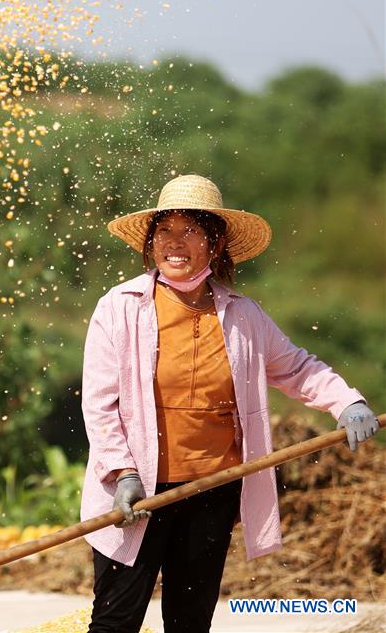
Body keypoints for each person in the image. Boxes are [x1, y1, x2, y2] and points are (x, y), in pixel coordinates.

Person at [79, 174, 379, 633]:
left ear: (215, 244)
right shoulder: (120, 308)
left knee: (191, 621)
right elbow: (100, 405)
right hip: (136, 492)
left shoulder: (244, 317)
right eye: (164, 232)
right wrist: (123, 472)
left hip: (212, 488)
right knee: (114, 621)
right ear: (150, 243)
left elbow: (297, 368)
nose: (175, 244)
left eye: (191, 231)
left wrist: (347, 402)